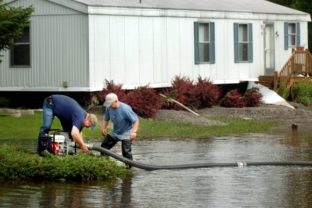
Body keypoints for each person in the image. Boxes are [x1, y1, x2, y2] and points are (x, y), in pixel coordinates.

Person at [101, 93, 139, 168]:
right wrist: (104, 128)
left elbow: (136, 120)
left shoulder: (125, 109)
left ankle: (129, 169)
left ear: (116, 101)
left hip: (126, 132)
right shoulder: (109, 107)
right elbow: (106, 118)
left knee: (126, 152)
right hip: (115, 131)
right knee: (103, 147)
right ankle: (104, 165)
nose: (109, 105)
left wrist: (134, 132)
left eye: (110, 103)